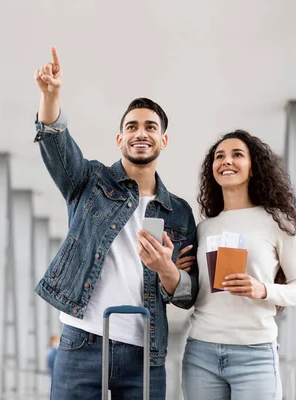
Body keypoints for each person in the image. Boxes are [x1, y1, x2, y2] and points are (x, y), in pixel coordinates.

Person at [32, 46, 199, 400]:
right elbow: (56, 143)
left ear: (163, 140)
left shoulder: (179, 212)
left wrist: (166, 269)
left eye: (151, 127)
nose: (142, 133)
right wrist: (51, 97)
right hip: (82, 341)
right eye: (132, 127)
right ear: (119, 138)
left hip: (146, 350)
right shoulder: (89, 182)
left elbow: (187, 293)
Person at [178, 130, 296, 399]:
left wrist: (262, 289)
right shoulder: (204, 228)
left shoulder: (278, 223)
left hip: (255, 354)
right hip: (201, 352)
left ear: (253, 169)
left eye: (237, 155)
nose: (227, 161)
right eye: (220, 156)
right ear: (212, 170)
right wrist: (178, 272)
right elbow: (194, 293)